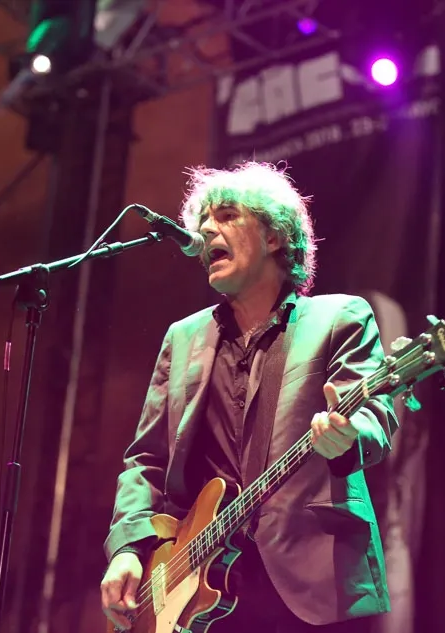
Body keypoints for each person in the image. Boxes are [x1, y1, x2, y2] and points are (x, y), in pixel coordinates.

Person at [99, 161, 398, 633]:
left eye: (226, 216)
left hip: (314, 578)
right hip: (202, 589)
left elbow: (373, 413)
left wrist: (347, 435)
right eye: (203, 221)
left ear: (274, 236)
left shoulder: (339, 317)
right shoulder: (183, 338)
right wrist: (127, 549)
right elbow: (147, 460)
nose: (206, 230)